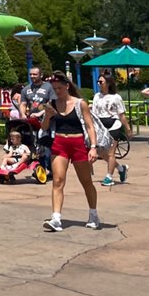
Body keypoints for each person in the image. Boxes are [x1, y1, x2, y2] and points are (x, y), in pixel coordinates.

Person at [42, 71, 101, 232]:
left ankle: (93, 214)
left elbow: (90, 126)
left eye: (59, 88)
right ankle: (56, 218)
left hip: (78, 143)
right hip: (60, 143)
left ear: (67, 86)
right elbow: (44, 127)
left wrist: (93, 147)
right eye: (54, 89)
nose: (57, 92)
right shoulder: (52, 103)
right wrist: (47, 116)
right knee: (58, 180)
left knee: (86, 181)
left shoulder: (80, 103)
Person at [92, 74, 130, 184]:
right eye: (98, 82)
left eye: (101, 82)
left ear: (108, 83)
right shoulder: (97, 96)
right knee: (101, 152)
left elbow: (121, 114)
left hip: (114, 124)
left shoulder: (116, 97)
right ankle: (121, 169)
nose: (99, 84)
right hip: (100, 125)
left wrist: (127, 128)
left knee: (110, 153)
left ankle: (109, 176)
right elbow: (94, 113)